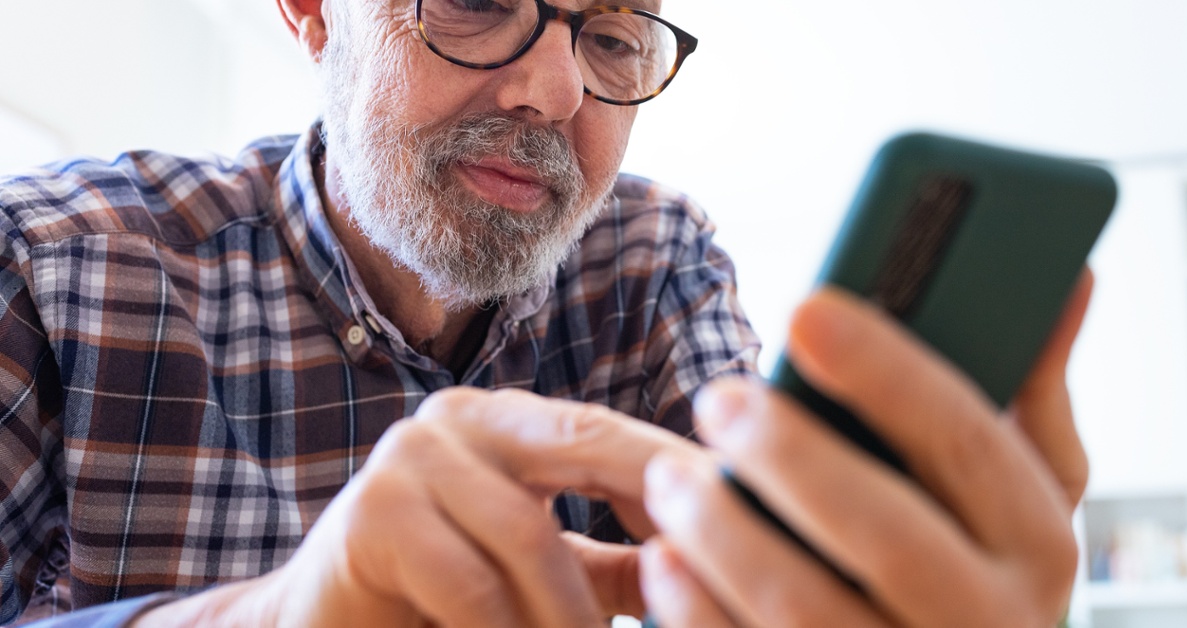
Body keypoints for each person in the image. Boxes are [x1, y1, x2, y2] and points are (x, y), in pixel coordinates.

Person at [0, 0, 1091, 626]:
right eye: (478, 0)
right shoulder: (56, 264)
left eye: (611, 36)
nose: (556, 92)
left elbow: (756, 564)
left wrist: (875, 569)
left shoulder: (649, 260)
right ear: (315, 12)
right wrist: (281, 615)